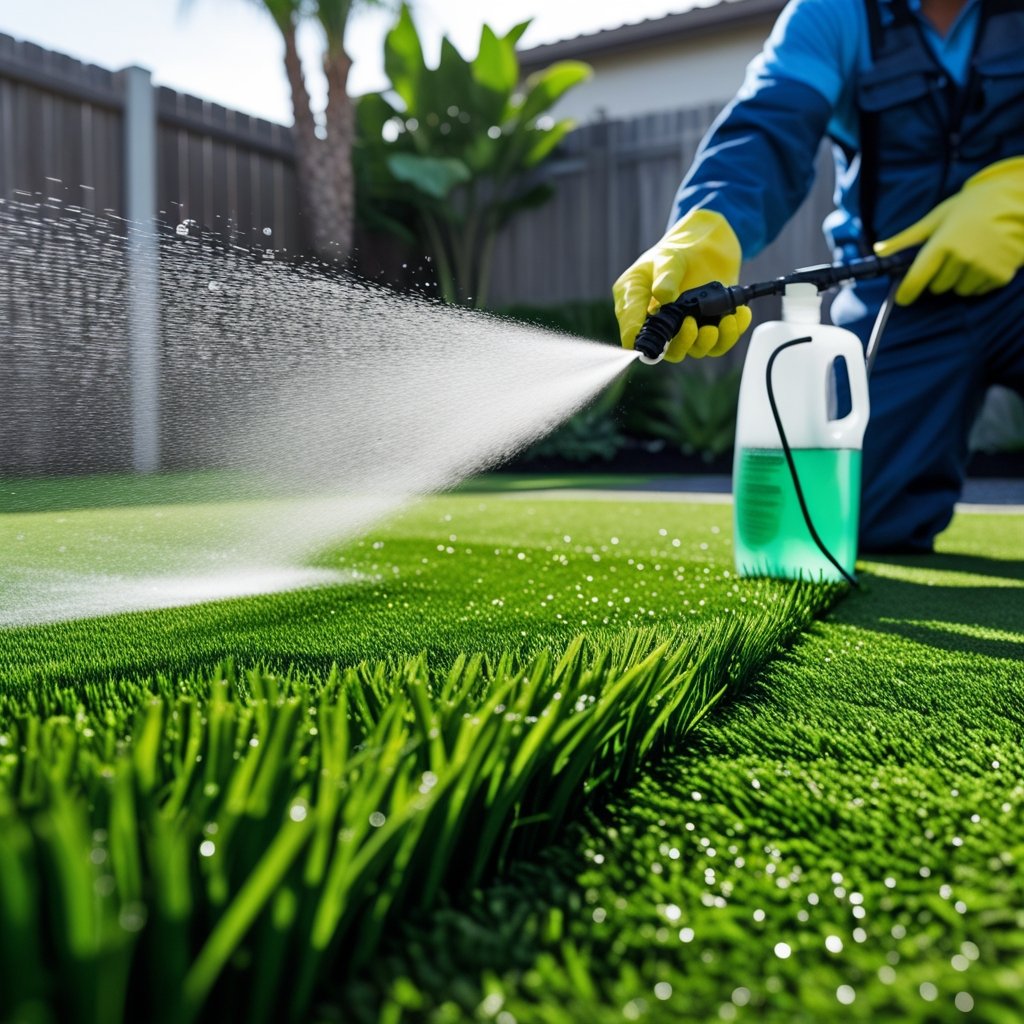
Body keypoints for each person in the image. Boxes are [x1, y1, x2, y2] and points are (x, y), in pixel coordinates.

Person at [613, 0, 1024, 553]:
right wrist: (712, 221)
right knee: (854, 518)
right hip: (899, 297)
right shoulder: (834, 13)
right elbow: (769, 123)